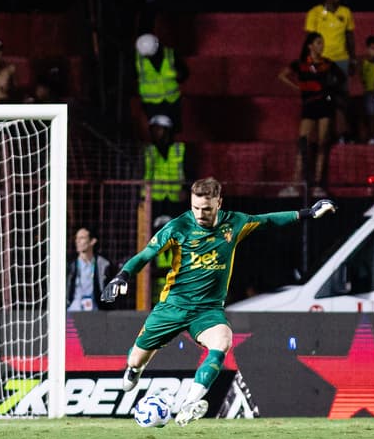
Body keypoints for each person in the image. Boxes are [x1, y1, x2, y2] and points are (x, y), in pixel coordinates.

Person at [101, 177, 337, 426]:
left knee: (222, 341)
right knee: (135, 361)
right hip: (173, 306)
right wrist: (122, 276)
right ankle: (135, 368)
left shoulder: (234, 223)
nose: (200, 214)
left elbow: (267, 220)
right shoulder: (178, 227)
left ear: (218, 203)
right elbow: (146, 254)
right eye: (196, 208)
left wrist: (308, 213)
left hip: (208, 310)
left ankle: (189, 404)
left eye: (207, 208)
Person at [277, 31, 347, 198]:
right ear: (310, 46)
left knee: (323, 144)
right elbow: (282, 75)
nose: (321, 46)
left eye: (322, 43)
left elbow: (341, 78)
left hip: (325, 106)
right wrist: (298, 87)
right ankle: (295, 184)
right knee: (303, 144)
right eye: (318, 43)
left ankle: (316, 185)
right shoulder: (301, 64)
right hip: (309, 106)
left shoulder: (328, 64)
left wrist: (331, 89)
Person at [304, 0, 356, 142]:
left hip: (341, 60)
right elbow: (310, 39)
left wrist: (352, 58)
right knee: (323, 98)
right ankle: (326, 135)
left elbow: (350, 37)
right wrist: (310, 61)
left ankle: (344, 133)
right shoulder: (315, 13)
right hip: (322, 62)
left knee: (342, 97)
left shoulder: (345, 12)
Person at [135, 33, 188, 131]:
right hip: (151, 104)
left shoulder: (171, 55)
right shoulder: (138, 61)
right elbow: (131, 79)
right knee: (157, 134)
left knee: (174, 131)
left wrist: (178, 75)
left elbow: (184, 73)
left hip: (171, 102)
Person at [143, 114, 187, 221]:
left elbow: (187, 170)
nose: (155, 133)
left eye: (159, 129)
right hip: (153, 198)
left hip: (175, 197)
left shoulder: (179, 149)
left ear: (167, 131)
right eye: (153, 129)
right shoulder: (148, 150)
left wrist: (186, 190)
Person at [66, 226, 117, 312]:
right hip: (73, 310)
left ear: (92, 241)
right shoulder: (70, 265)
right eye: (76, 238)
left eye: (82, 238)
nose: (77, 241)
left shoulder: (103, 265)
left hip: (95, 312)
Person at [360, 35, 374, 144]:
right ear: (368, 49)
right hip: (369, 92)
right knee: (371, 115)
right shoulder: (365, 62)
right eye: (372, 48)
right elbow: (362, 77)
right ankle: (372, 135)